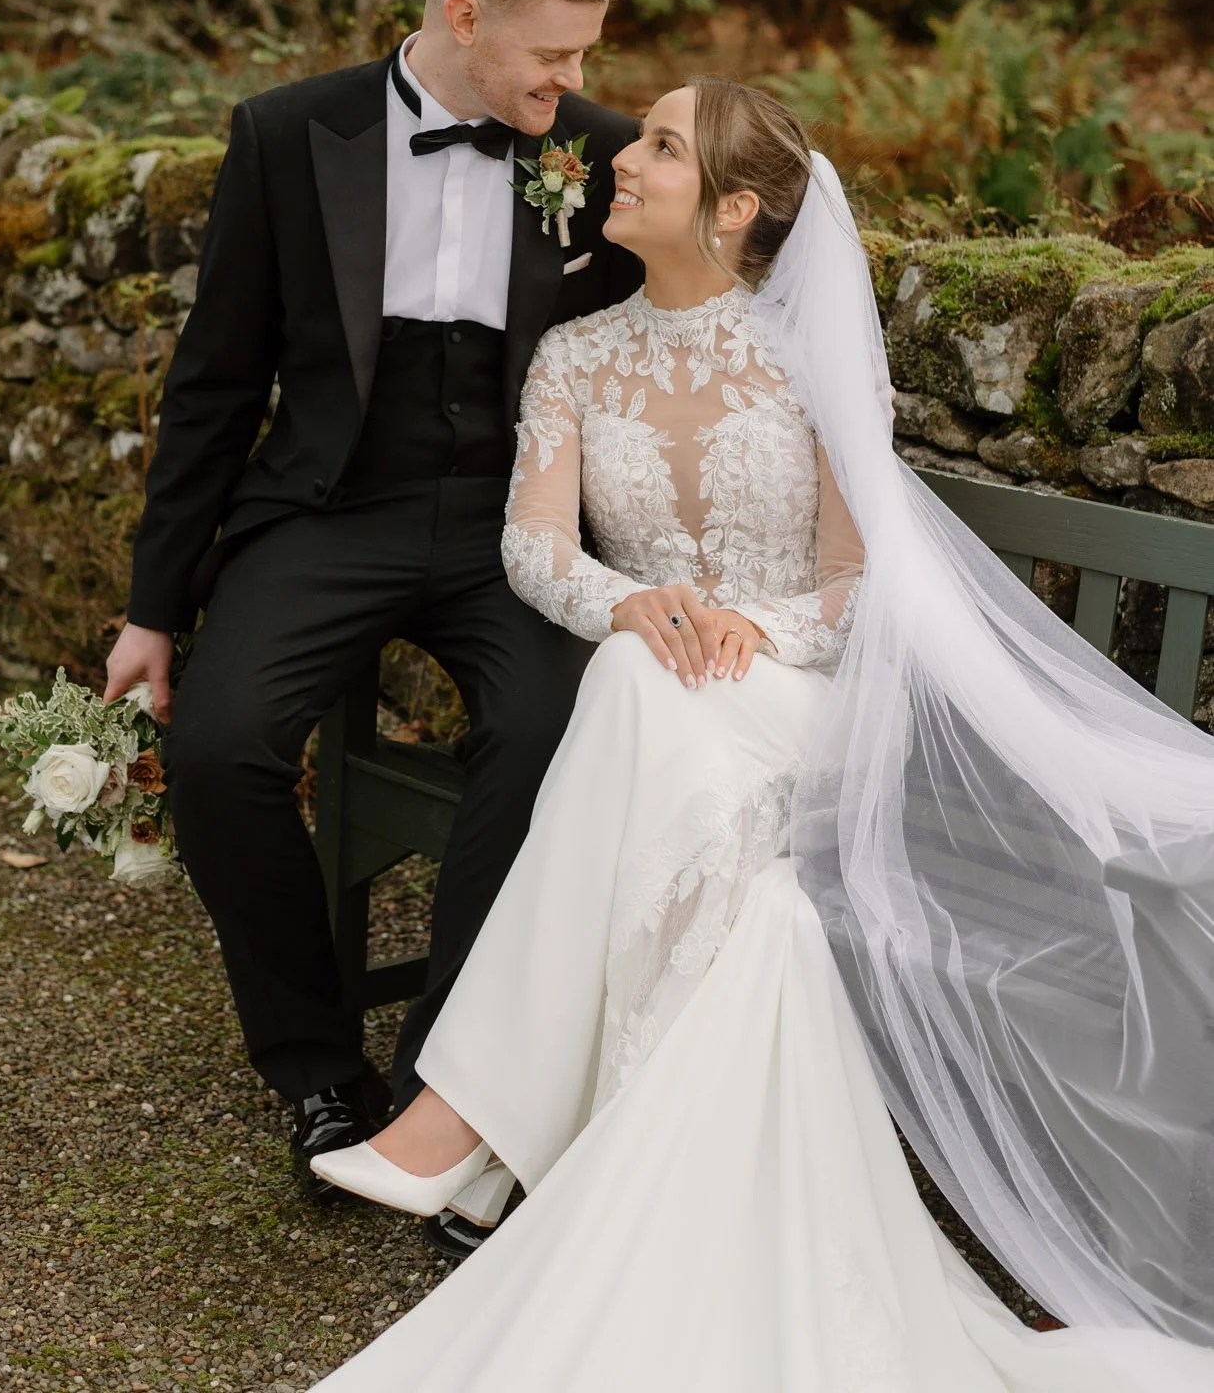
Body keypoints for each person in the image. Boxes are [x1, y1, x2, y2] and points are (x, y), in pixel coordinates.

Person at [306, 78, 1214, 1390]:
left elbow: (858, 586)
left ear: (733, 208)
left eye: (658, 147)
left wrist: (749, 629)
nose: (622, 159)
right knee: (636, 688)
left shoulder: (805, 361)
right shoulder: (574, 355)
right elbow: (531, 546)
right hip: (667, 710)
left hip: (805, 713)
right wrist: (637, 603)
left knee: (633, 691)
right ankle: (511, 1143)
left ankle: (466, 1122)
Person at [102, 0, 642, 1244]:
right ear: (460, 15)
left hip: (517, 523)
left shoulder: (601, 151)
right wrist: (154, 607)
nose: (576, 81)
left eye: (585, 55)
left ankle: (443, 1094)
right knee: (221, 746)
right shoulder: (289, 135)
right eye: (553, 54)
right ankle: (314, 1072)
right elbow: (216, 380)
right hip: (328, 508)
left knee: (544, 740)